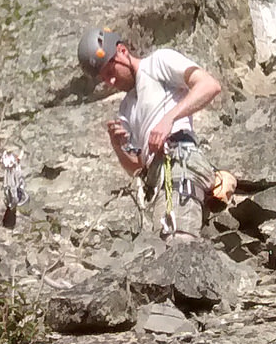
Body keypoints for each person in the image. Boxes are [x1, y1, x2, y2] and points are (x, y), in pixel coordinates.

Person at [76, 28, 234, 239]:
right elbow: (138, 166)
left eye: (111, 72)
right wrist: (118, 147)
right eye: (104, 79)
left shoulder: (158, 63)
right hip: (157, 179)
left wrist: (169, 118)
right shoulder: (126, 108)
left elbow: (208, 86)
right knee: (165, 250)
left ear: (122, 51)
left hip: (178, 163)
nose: (111, 82)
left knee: (176, 243)